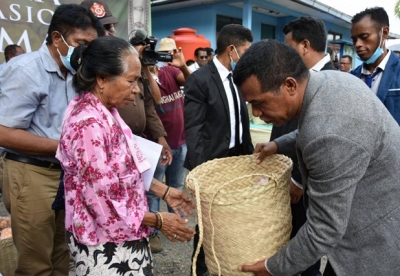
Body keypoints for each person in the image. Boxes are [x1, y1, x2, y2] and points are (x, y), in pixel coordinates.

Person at [233, 39, 400, 276]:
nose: (257, 114)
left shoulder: (327, 136)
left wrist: (273, 267)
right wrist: (278, 144)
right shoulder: (331, 82)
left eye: (258, 103)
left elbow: (325, 229)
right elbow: (322, 123)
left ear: (290, 85)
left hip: (373, 244)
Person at [56, 36, 196, 275]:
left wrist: (163, 191)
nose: (137, 89)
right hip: (104, 244)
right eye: (131, 80)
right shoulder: (88, 125)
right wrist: (158, 220)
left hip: (126, 229)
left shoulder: (105, 111)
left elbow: (122, 169)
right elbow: (103, 200)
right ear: (101, 79)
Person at [0, 4, 104, 275]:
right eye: (80, 43)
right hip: (32, 173)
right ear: (57, 38)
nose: (84, 52)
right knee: (36, 261)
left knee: (62, 253)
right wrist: (64, 147)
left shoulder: (74, 74)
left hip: (65, 174)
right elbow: (3, 131)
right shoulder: (26, 70)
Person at [184, 24, 254, 276]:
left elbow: (240, 121)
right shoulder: (200, 80)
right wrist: (202, 172)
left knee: (231, 220)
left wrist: (250, 157)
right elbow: (194, 129)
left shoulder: (238, 78)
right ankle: (199, 271)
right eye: (246, 51)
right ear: (232, 49)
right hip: (212, 164)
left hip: (237, 162)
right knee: (207, 226)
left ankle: (225, 266)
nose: (247, 56)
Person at [275, 16, 336, 276]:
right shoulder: (300, 77)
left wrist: (299, 181)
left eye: (289, 46)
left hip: (308, 181)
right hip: (289, 169)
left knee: (305, 243)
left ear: (304, 46)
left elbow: (323, 137)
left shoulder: (332, 81)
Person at [146, 37, 192, 253]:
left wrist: (181, 64)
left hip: (180, 142)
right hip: (156, 146)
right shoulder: (141, 77)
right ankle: (153, 233)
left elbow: (191, 83)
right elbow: (154, 101)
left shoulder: (170, 72)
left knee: (176, 186)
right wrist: (145, 68)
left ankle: (178, 225)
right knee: (155, 191)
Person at [350, 7, 400, 125]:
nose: (358, 44)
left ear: (385, 33)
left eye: (364, 37)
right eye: (354, 39)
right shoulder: (351, 78)